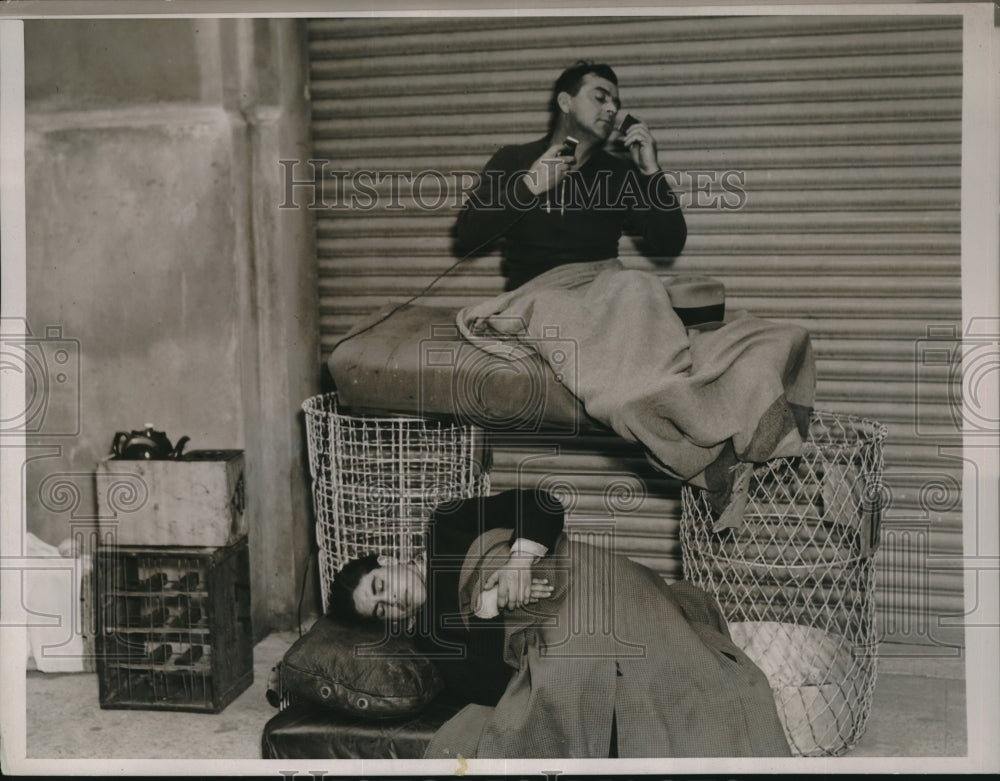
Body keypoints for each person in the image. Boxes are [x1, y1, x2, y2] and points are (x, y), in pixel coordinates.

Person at [328, 488, 792, 758]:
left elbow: (542, 505)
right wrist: (495, 605)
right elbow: (493, 685)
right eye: (381, 610)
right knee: (582, 682)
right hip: (551, 636)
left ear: (386, 561)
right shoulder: (432, 637)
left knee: (690, 676)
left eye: (379, 587)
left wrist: (518, 564)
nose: (392, 601)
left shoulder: (447, 525)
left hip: (583, 575)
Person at [453, 61, 687, 291]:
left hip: (600, 293)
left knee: (641, 285)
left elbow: (669, 242)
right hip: (536, 295)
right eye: (600, 98)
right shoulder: (513, 159)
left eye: (616, 103)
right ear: (566, 102)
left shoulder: (618, 172)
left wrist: (651, 171)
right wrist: (529, 187)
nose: (612, 109)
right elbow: (468, 235)